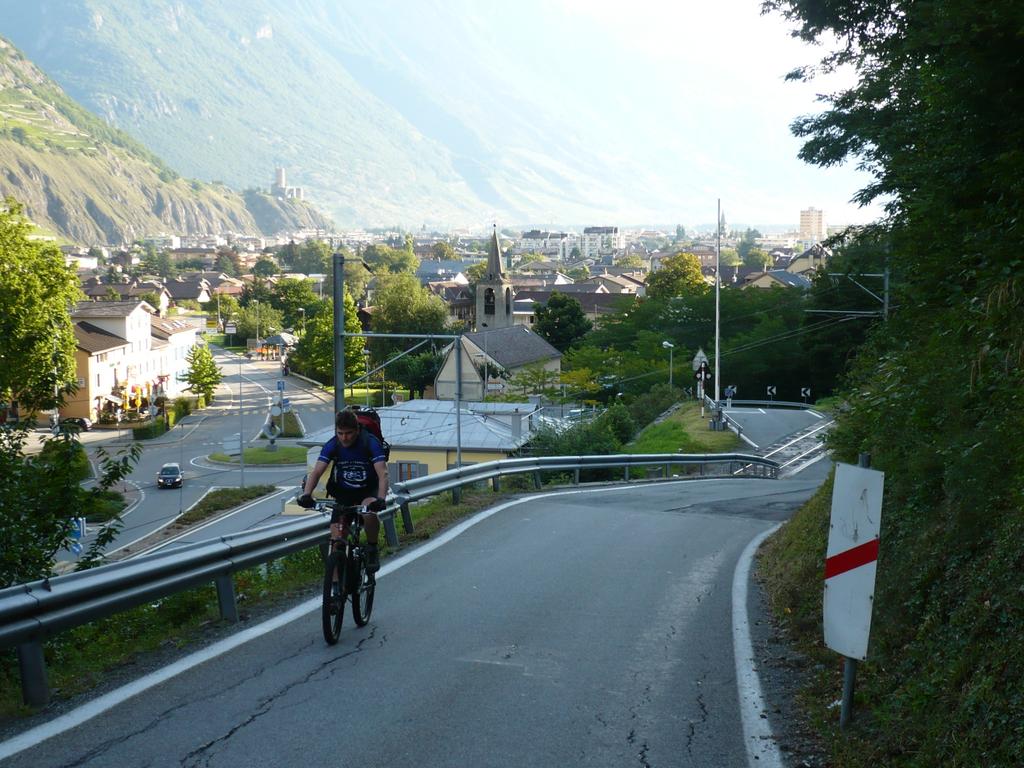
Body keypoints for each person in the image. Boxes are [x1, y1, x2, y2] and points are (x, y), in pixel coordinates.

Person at [297, 410, 388, 572]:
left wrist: (381, 499)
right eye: (340, 433)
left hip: (368, 490)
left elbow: (383, 474)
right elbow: (317, 472)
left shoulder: (370, 443)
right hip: (344, 493)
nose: (344, 438)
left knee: (368, 514)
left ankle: (372, 548)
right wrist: (306, 494)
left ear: (357, 430)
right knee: (337, 540)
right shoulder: (333, 444)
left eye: (349, 433)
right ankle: (335, 589)